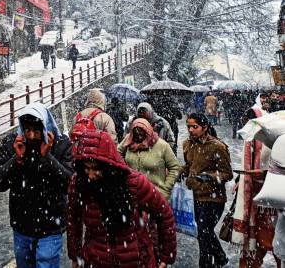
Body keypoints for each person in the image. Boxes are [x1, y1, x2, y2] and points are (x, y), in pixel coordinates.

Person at [67, 130, 177, 268]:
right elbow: (73, 219)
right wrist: (75, 255)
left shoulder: (134, 183)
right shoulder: (79, 184)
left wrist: (166, 256)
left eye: (96, 169)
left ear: (108, 166)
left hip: (136, 261)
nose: (90, 175)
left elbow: (164, 214)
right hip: (96, 260)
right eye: (86, 168)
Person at [0, 102, 73, 268]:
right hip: (22, 226)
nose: (30, 136)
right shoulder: (12, 143)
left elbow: (69, 184)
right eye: (27, 130)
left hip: (51, 226)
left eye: (36, 131)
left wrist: (48, 158)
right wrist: (17, 159)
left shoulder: (61, 144)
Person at [232, 95, 281, 268]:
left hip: (275, 204)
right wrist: (242, 180)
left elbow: (278, 169)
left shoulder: (276, 139)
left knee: (278, 247)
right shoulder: (251, 140)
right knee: (254, 249)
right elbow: (246, 166)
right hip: (255, 201)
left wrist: (263, 174)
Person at [181, 113, 233, 268]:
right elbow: (190, 165)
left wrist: (210, 177)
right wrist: (179, 171)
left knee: (204, 232)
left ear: (205, 128)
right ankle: (219, 258)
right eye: (189, 126)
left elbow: (227, 174)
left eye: (194, 127)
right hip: (196, 195)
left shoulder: (217, 146)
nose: (191, 130)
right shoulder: (187, 144)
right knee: (204, 233)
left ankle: (206, 264)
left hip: (213, 198)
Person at [118, 118, 180, 200]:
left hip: (155, 196)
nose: (139, 137)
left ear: (148, 132)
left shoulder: (162, 146)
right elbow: (117, 154)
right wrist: (125, 169)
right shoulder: (129, 140)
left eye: (142, 134)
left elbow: (175, 168)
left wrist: (165, 190)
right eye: (136, 134)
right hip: (132, 195)